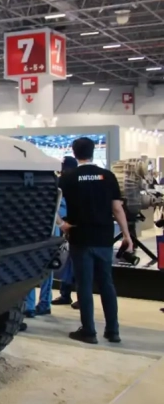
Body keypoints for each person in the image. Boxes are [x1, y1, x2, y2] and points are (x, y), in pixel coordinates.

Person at [58, 137, 130, 344]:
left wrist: (61, 224)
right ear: (92, 151)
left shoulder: (68, 178)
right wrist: (126, 235)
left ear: (74, 153)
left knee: (84, 285)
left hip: (80, 237)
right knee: (107, 283)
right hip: (104, 238)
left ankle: (89, 331)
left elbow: (52, 204)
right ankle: (113, 331)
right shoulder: (108, 176)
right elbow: (117, 208)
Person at [53, 156, 79, 306]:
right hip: (72, 224)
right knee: (72, 262)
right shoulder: (76, 180)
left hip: (67, 224)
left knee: (73, 262)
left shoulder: (62, 181)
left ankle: (67, 295)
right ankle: (68, 295)